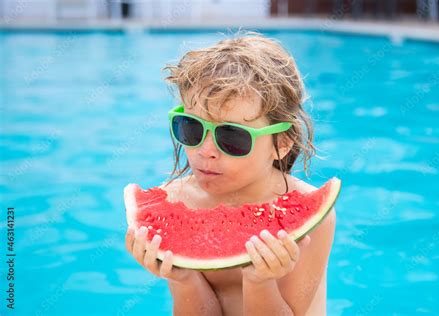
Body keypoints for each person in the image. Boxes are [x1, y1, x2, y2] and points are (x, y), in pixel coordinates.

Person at [125, 31, 336, 315]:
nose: (206, 150)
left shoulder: (315, 220)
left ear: (282, 144)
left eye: (232, 137)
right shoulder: (177, 199)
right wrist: (181, 276)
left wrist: (260, 281)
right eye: (192, 128)